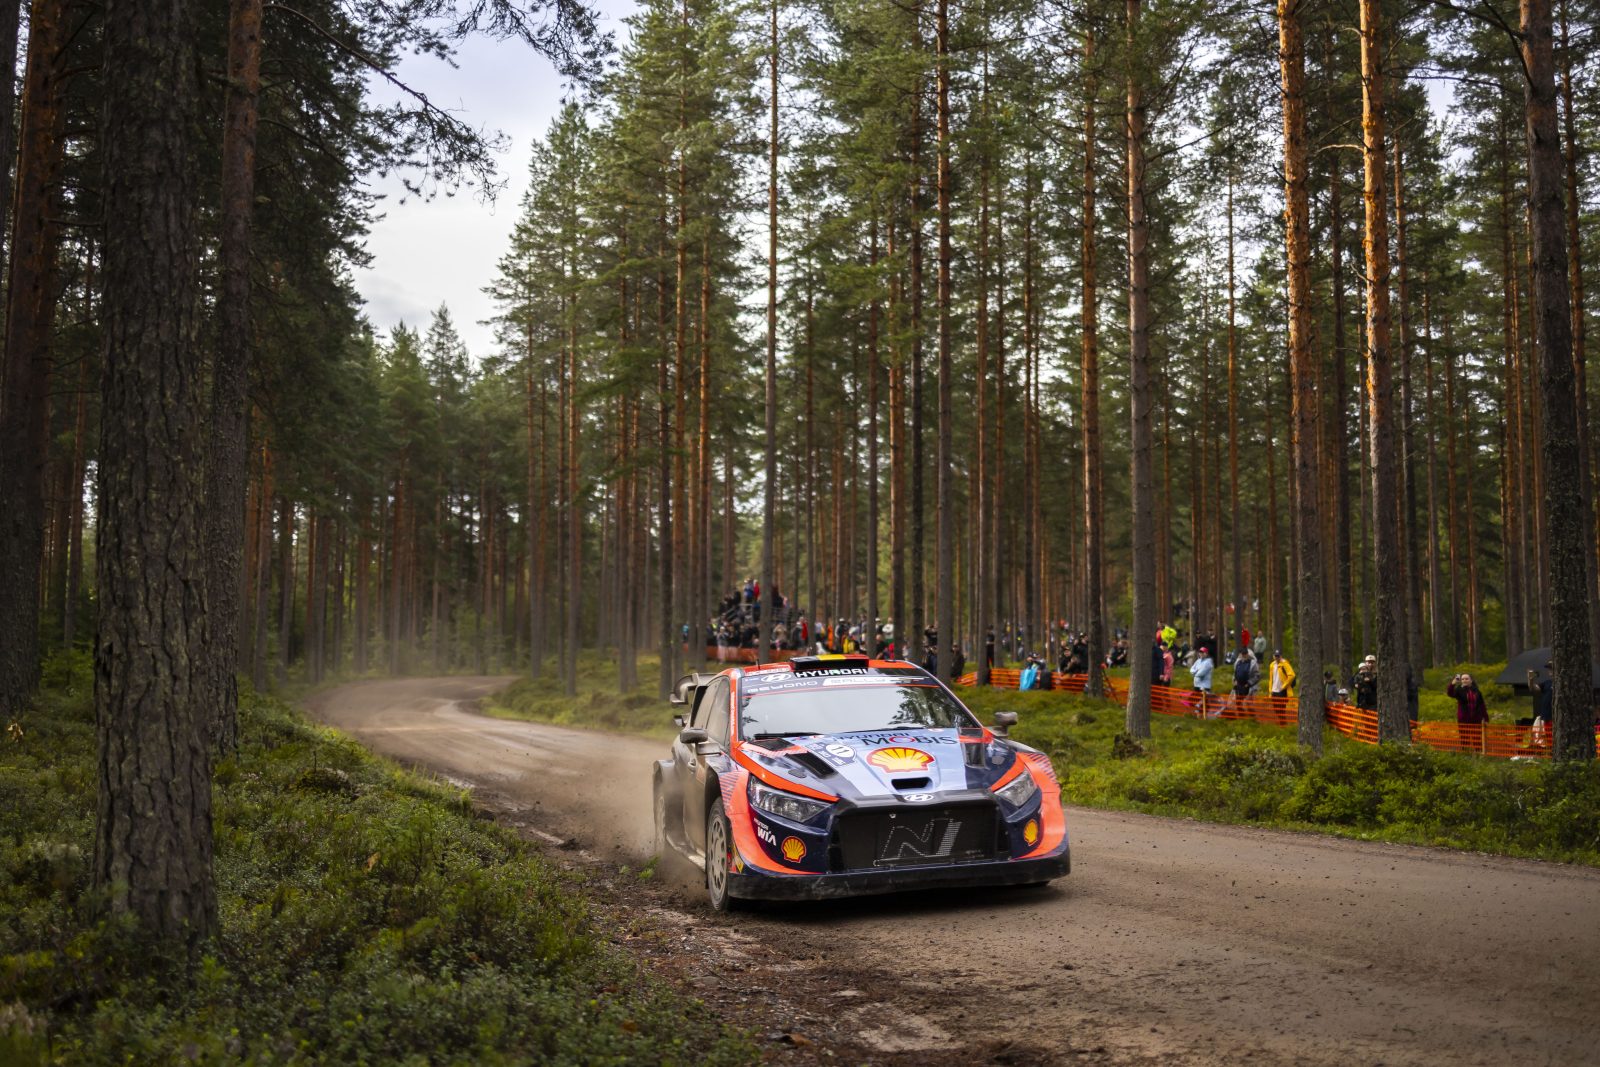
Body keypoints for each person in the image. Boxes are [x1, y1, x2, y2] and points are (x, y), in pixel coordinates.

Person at [1446, 672, 1490, 752]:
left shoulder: (1477, 691)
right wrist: (1453, 683)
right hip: (1464, 719)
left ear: (1471, 680)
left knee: (1477, 739)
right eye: (1462, 679)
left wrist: (1486, 718)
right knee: (1465, 739)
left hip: (1476, 719)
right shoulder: (1459, 690)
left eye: (1466, 679)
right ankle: (1465, 754)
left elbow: (1482, 705)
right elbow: (1450, 693)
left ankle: (1478, 754)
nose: (1464, 680)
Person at [1190, 646, 1215, 717]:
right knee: (1196, 701)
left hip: (1204, 685)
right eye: (1200, 652)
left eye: (1202, 652)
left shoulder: (1208, 662)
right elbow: (1192, 669)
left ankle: (1204, 716)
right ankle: (1197, 715)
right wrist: (1195, 672)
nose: (1201, 654)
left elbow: (1201, 673)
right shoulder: (1198, 661)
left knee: (1203, 702)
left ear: (1206, 653)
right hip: (1196, 684)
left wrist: (1195, 673)